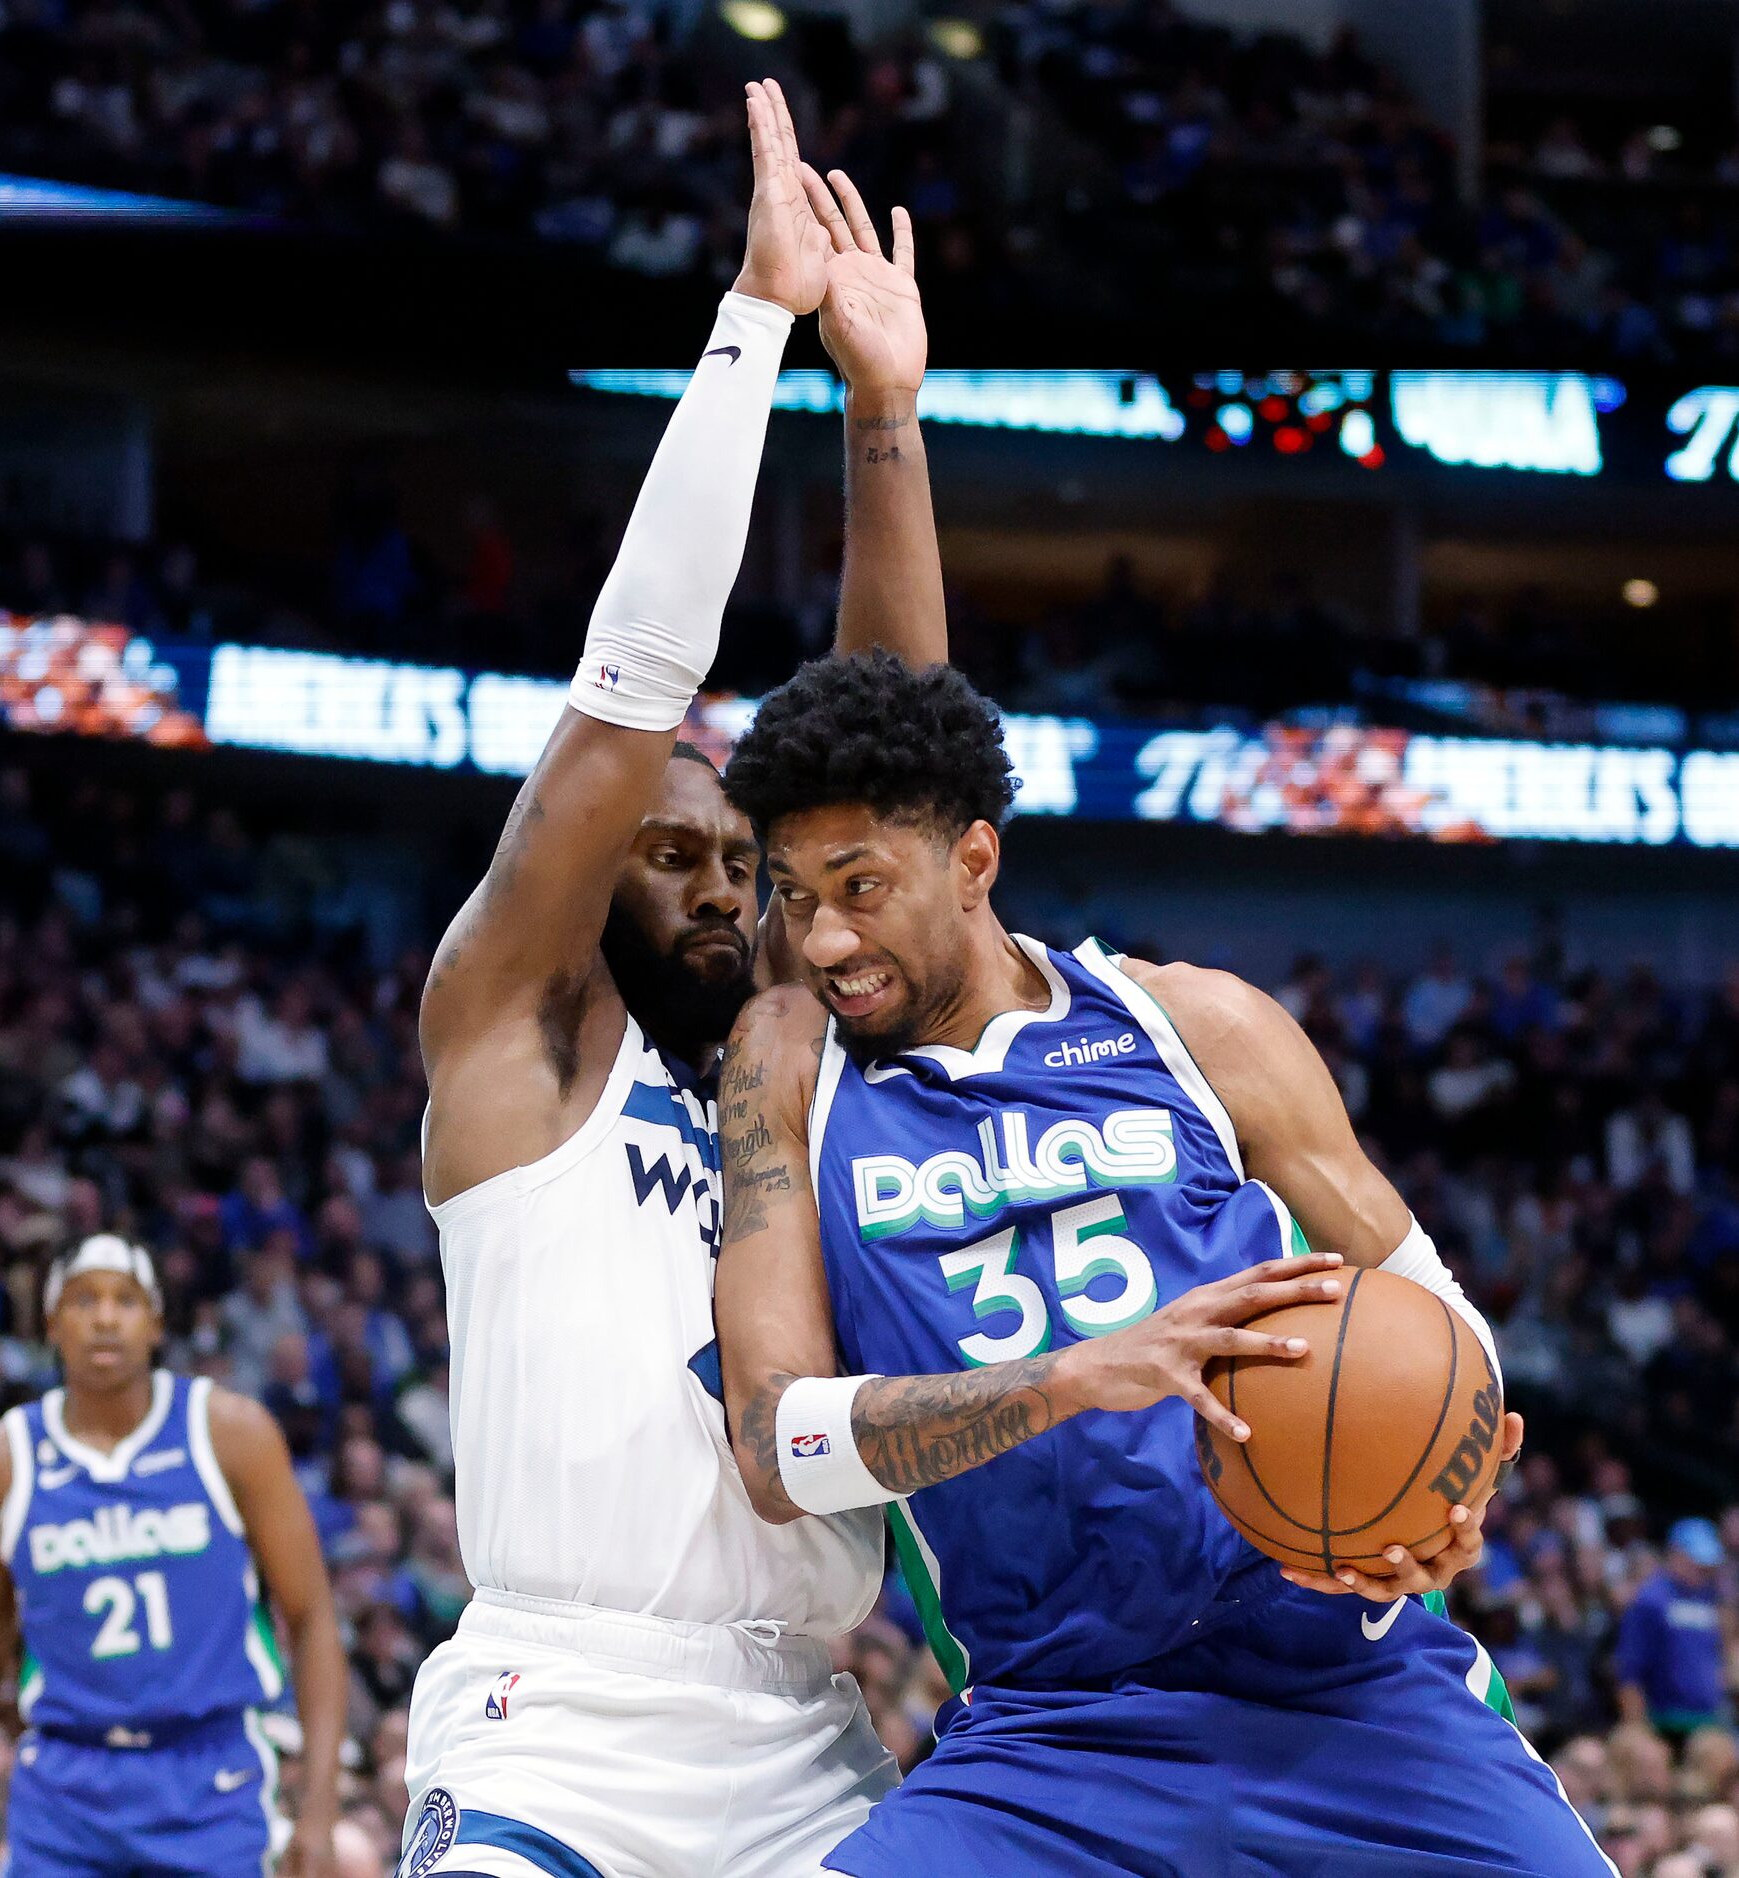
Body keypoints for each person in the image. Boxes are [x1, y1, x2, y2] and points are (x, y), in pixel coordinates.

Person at [712, 649, 1619, 1876]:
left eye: (860, 886)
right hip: (1050, 1737)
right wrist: (1081, 1376)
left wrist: (1453, 1499)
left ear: (973, 860)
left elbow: (1435, 1315)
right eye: (792, 893)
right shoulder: (792, 1075)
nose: (823, 936)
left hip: (1351, 1693)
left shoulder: (1192, 1025)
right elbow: (778, 1451)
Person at [406, 79, 946, 1878]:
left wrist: (885, 415)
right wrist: (752, 329)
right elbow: (628, 689)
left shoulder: (789, 1062)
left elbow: (887, 772)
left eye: (743, 863)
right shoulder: (515, 1040)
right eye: (674, 852)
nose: (722, 886)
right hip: (556, 1712)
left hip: (807, 1722)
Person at [0, 1233, 346, 1876]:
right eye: (83, 1299)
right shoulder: (3, 1462)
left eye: (125, 1300)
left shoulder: (230, 1434)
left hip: (210, 1777)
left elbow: (313, 1616)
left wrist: (318, 1813)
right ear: (50, 1324)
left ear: (155, 1324)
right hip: (65, 1787)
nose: (103, 1316)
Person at [1614, 1518, 1731, 1739]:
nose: (1703, 1570)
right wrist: (1637, 1730)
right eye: (1697, 1563)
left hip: (1708, 1719)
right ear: (1676, 1555)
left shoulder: (1709, 1598)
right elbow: (1630, 1671)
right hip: (1664, 1721)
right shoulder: (1651, 1600)